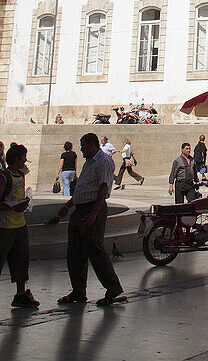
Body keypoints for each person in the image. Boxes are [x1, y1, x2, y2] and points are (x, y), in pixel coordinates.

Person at [53, 132, 126, 306]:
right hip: (80, 209)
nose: (81, 150)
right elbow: (82, 188)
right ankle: (78, 291)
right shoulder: (88, 163)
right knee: (75, 253)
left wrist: (94, 214)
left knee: (95, 250)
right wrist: (69, 206)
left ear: (93, 145)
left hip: (94, 208)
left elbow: (102, 188)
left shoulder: (104, 162)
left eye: (84, 146)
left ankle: (113, 287)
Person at [0, 143, 39, 308]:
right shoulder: (4, 177)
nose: (25, 161)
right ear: (17, 159)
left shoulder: (21, 175)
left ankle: (21, 294)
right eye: (24, 157)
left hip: (20, 224)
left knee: (22, 260)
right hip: (5, 226)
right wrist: (12, 206)